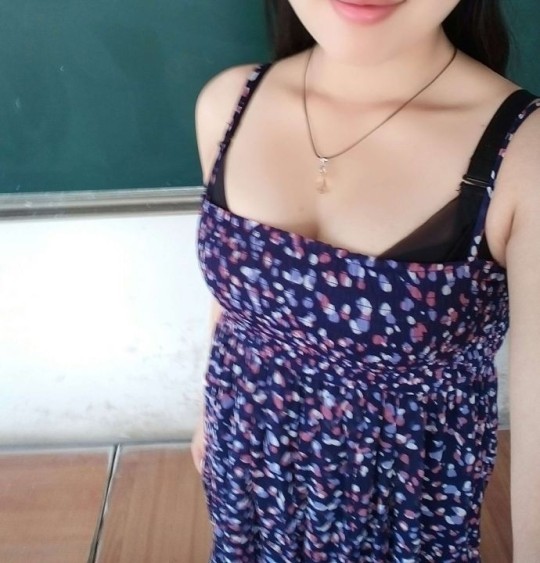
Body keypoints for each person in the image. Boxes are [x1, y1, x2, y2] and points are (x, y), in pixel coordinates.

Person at [191, 0, 540, 560]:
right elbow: (233, 302)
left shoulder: (526, 157)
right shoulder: (228, 103)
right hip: (249, 479)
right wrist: (207, 419)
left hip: (396, 521)